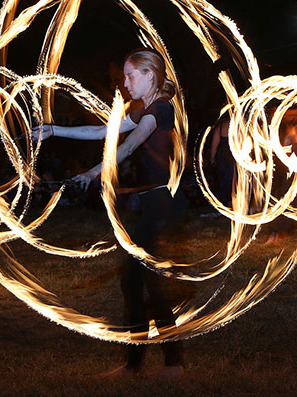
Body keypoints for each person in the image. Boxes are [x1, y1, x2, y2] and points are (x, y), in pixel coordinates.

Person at [33, 48, 186, 379]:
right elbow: (104, 132)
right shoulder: (145, 107)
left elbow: (129, 145)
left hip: (159, 204)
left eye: (131, 76)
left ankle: (169, 364)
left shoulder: (159, 109)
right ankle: (140, 364)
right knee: (135, 282)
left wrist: (92, 173)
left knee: (141, 281)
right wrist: (54, 130)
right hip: (148, 203)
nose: (125, 83)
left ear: (150, 75)